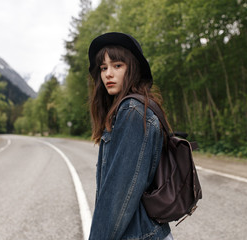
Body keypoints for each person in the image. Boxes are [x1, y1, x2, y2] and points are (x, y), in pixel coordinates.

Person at [88, 32, 174, 240]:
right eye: (104, 68)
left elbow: (118, 196)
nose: (108, 73)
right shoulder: (135, 109)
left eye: (117, 65)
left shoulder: (132, 112)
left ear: (132, 68)